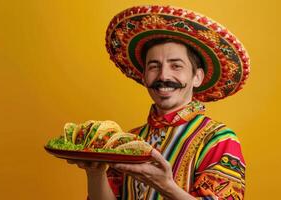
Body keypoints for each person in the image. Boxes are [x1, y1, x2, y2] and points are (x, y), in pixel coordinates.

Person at [68, 5, 249, 200]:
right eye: (154, 66)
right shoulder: (127, 140)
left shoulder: (218, 140)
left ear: (197, 77)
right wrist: (95, 172)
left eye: (176, 66)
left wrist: (166, 187)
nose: (163, 75)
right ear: (144, 76)